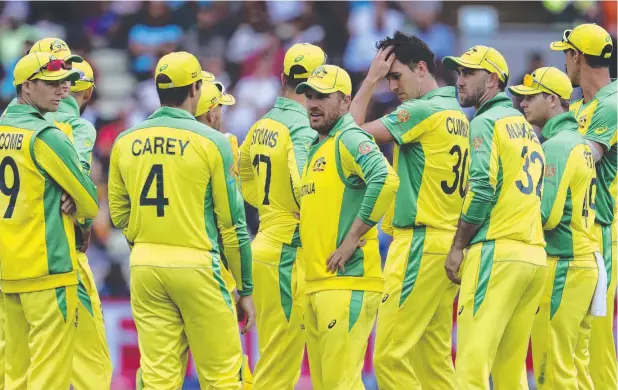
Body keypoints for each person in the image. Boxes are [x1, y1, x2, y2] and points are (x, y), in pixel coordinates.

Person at [108, 51, 255, 389]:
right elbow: (232, 227)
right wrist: (245, 288)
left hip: (145, 266)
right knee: (223, 377)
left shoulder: (124, 141)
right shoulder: (214, 142)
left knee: (158, 379)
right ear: (194, 89)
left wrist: (146, 240)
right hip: (198, 265)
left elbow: (118, 214)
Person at [349, 31, 468, 390]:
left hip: (419, 242)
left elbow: (348, 134)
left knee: (388, 355)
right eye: (386, 79)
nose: (392, 86)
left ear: (420, 68)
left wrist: (368, 80)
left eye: (395, 75)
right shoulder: (456, 113)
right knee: (432, 359)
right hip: (447, 243)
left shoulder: (420, 110)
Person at [443, 46, 547, 389]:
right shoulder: (525, 125)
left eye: (468, 73)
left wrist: (458, 246)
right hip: (532, 256)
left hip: (496, 253)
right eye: (458, 73)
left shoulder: (485, 122)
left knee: (471, 366)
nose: (459, 81)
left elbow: (482, 190)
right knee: (510, 373)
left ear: (492, 79)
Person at [296, 64, 399, 390]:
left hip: (347, 283)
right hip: (319, 284)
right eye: (309, 95)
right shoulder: (320, 145)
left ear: (344, 101)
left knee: (342, 384)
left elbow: (385, 180)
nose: (313, 103)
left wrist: (352, 239)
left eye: (322, 97)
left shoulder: (349, 138)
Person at [0, 51, 98, 389]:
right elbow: (89, 200)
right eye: (53, 84)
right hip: (49, 270)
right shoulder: (47, 135)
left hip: (8, 271)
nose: (63, 90)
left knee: (14, 374)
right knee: (50, 375)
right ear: (28, 85)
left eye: (66, 84)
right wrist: (72, 198)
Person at [238, 43, 325, 390]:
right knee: (279, 365)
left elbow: (242, 172)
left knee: (275, 355)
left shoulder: (263, 123)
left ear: (283, 77)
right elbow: (307, 186)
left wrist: (267, 205)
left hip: (267, 240)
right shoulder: (304, 127)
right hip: (290, 250)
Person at [510, 67, 600, 388]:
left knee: (553, 368)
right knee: (576, 365)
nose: (521, 103)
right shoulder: (575, 141)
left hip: (563, 264)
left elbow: (547, 215)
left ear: (551, 100)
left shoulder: (557, 147)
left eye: (530, 97)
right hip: (583, 262)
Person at [550, 23, 617, 389]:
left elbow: (582, 157)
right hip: (577, 232)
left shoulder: (611, 105)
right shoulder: (579, 105)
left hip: (602, 230)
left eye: (565, 53)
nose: (563, 62)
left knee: (598, 335)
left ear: (577, 56)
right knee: (575, 337)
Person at [42, 59, 113, 390]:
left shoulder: (21, 123)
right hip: (64, 255)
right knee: (92, 363)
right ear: (85, 92)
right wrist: (83, 214)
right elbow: (82, 187)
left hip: (20, 255)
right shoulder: (79, 127)